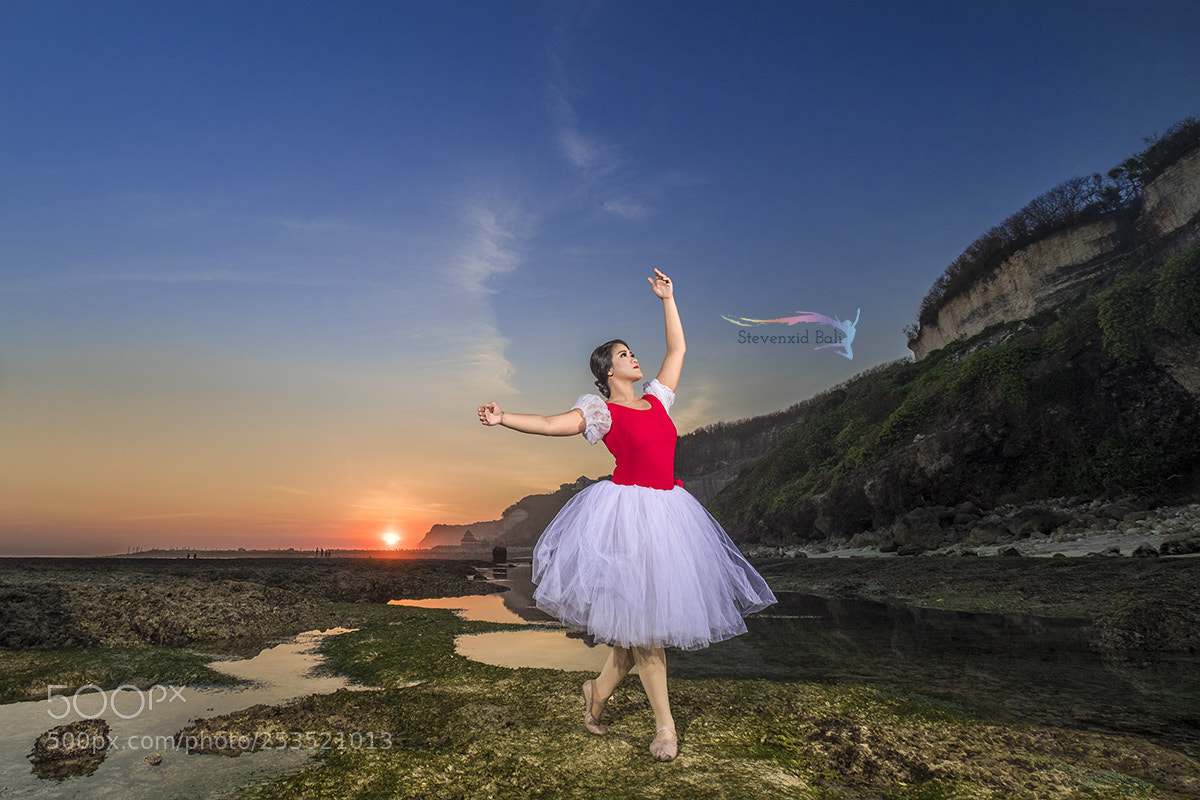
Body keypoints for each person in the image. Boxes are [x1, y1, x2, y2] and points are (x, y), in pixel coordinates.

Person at [477, 269, 776, 762]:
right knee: (648, 632)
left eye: (631, 352)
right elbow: (553, 424)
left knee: (634, 632)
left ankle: (595, 694)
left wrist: (669, 298)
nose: (633, 357)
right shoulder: (601, 412)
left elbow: (677, 351)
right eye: (623, 354)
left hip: (670, 515)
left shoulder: (658, 400)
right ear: (608, 373)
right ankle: (665, 727)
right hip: (625, 518)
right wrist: (504, 417)